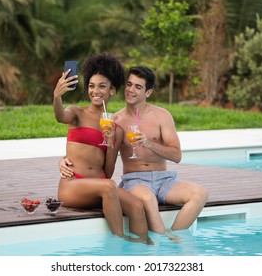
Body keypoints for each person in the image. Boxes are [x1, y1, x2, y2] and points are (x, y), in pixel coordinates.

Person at [61, 65, 209, 241]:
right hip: (135, 181)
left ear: (148, 92)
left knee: (200, 194)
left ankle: (173, 236)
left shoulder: (162, 116)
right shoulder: (113, 121)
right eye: (129, 84)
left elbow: (176, 156)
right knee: (147, 198)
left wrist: (149, 143)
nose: (131, 90)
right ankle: (162, 240)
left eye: (138, 87)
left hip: (164, 179)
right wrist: (64, 160)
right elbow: (93, 152)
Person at [53, 53, 151, 244]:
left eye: (101, 86)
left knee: (137, 206)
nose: (95, 91)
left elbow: (107, 172)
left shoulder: (115, 128)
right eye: (91, 86)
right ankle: (119, 244)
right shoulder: (76, 113)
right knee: (108, 187)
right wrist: (57, 96)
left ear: (112, 90)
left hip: (101, 185)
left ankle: (143, 251)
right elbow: (59, 116)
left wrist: (112, 143)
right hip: (73, 185)